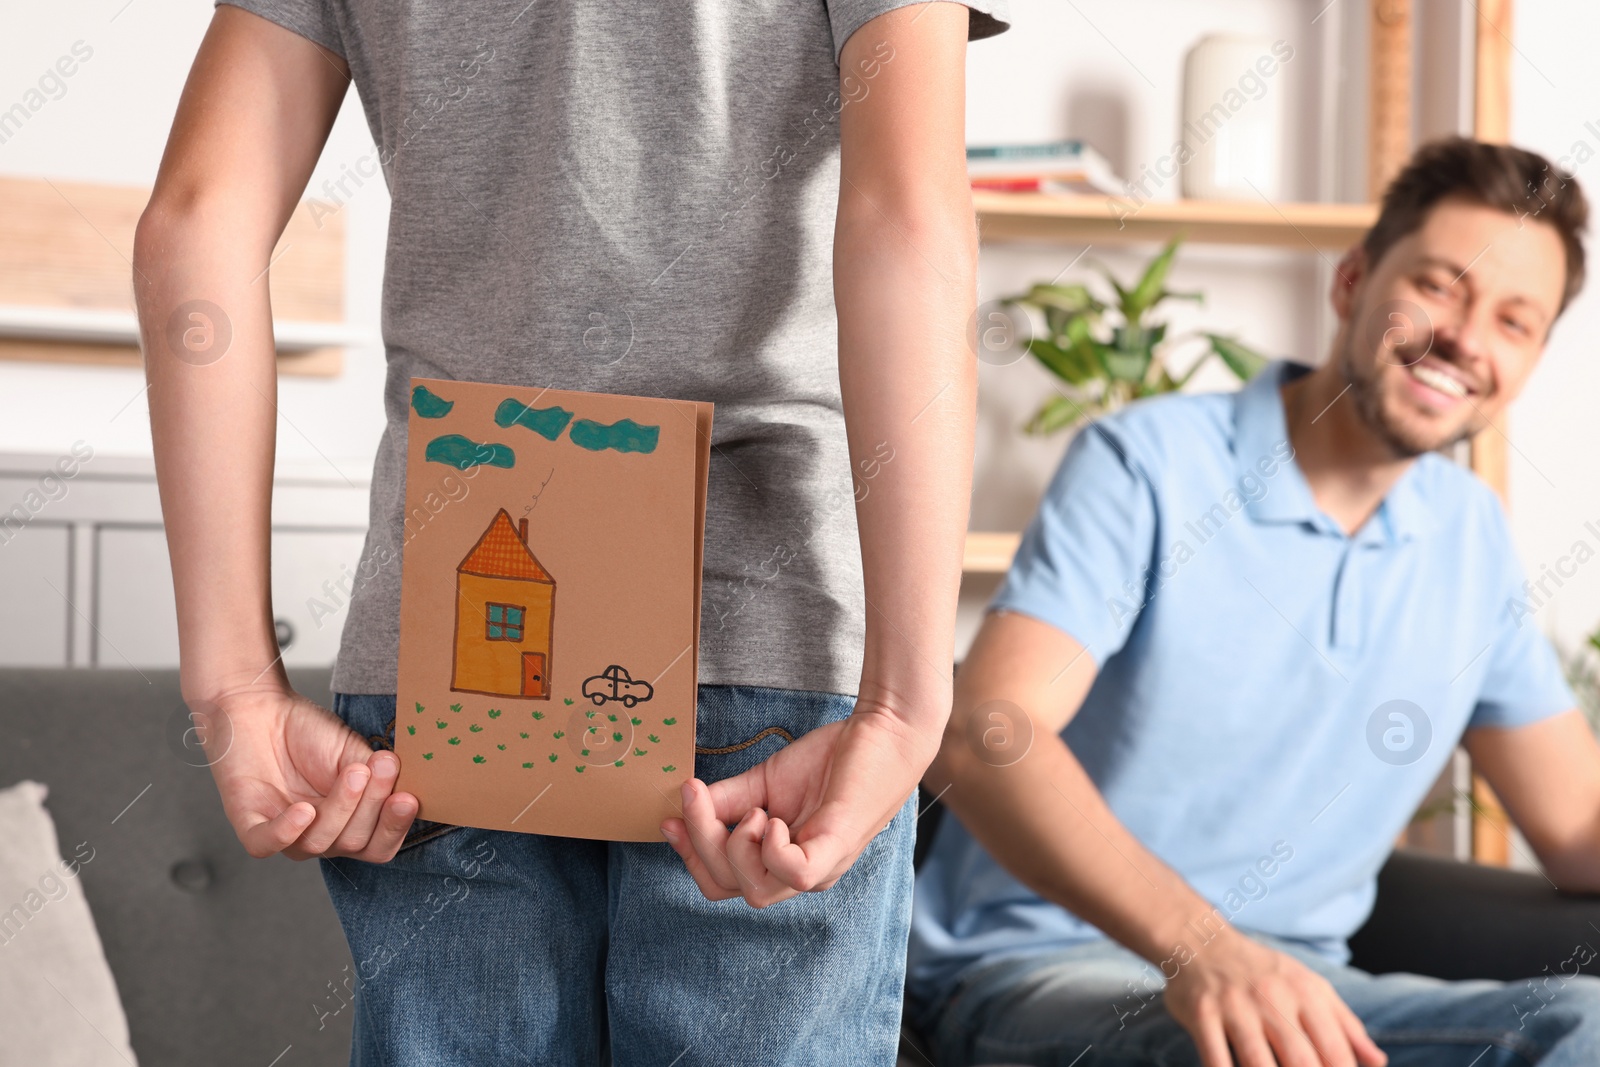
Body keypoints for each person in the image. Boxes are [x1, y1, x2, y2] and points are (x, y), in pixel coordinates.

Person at [132, 1, 1006, 1062]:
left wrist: (232, 684)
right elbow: (906, 220)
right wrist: (909, 698)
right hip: (762, 640)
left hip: (443, 641)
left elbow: (194, 220)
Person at [911, 137, 1600, 1067]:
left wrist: (1252, 970)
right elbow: (988, 731)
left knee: (1582, 1028)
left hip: (1311, 994)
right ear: (1353, 282)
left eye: (1516, 322)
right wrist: (1203, 948)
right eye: (1441, 286)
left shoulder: (1469, 534)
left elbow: (1579, 830)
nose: (1468, 339)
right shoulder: (1149, 464)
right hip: (1037, 970)